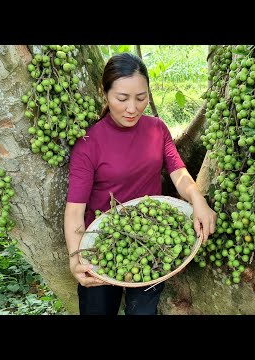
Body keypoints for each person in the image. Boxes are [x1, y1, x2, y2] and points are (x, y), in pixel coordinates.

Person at [64, 52, 216, 315]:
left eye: (141, 97)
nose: (132, 108)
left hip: (151, 240)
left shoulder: (157, 129)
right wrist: (75, 258)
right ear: (105, 93)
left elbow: (178, 173)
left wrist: (198, 200)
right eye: (122, 98)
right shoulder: (89, 144)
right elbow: (75, 211)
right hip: (103, 244)